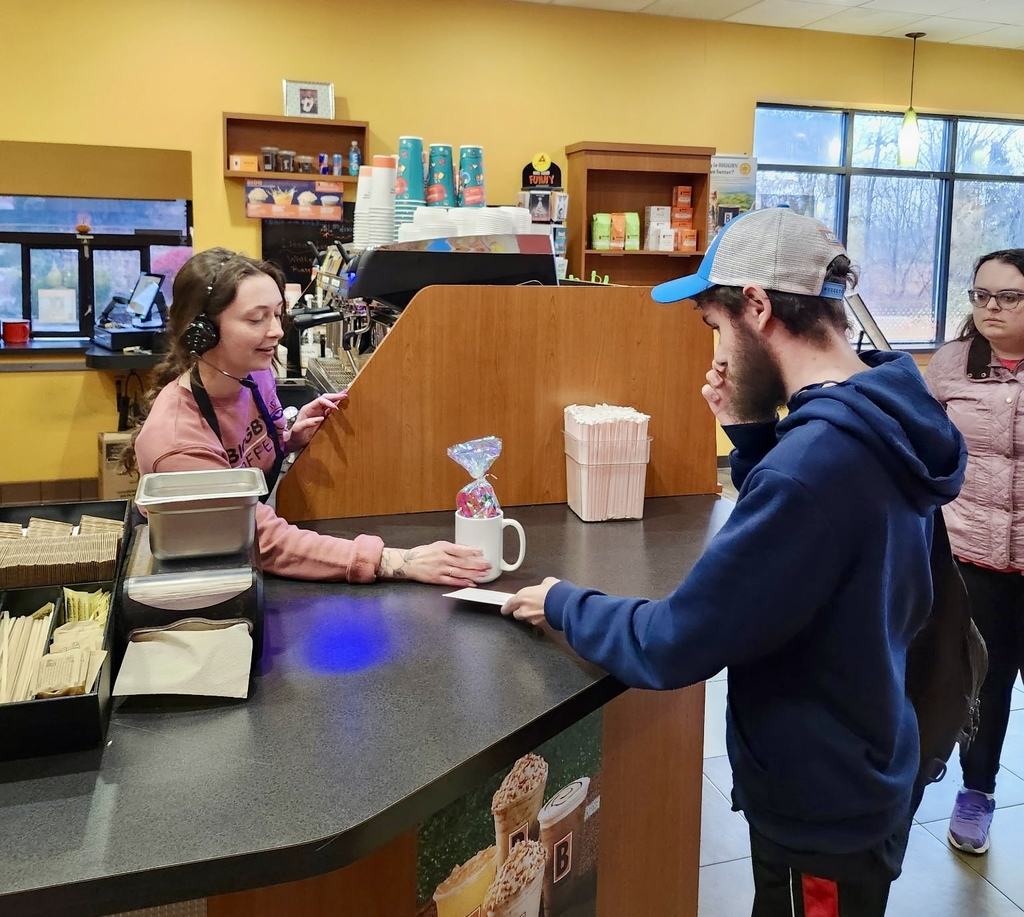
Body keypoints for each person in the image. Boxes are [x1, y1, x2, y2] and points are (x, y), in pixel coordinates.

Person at [501, 208, 967, 916]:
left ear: (758, 306)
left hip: (820, 807)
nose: (715, 356)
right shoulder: (888, 412)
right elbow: (824, 546)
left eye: (717, 328)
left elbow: (675, 641)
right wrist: (753, 441)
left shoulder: (814, 466)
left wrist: (561, 599)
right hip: (868, 750)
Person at [123, 247, 490, 586]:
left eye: (277, 314)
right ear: (202, 332)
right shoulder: (176, 440)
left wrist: (288, 437)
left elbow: (247, 455)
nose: (276, 332)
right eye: (256, 319)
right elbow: (258, 538)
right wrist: (397, 561)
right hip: (205, 584)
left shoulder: (254, 373)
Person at [925, 248, 1024, 856]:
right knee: (985, 681)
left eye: (1008, 297)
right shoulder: (952, 364)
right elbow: (924, 447)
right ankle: (977, 793)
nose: (990, 307)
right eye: (980, 295)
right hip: (972, 557)